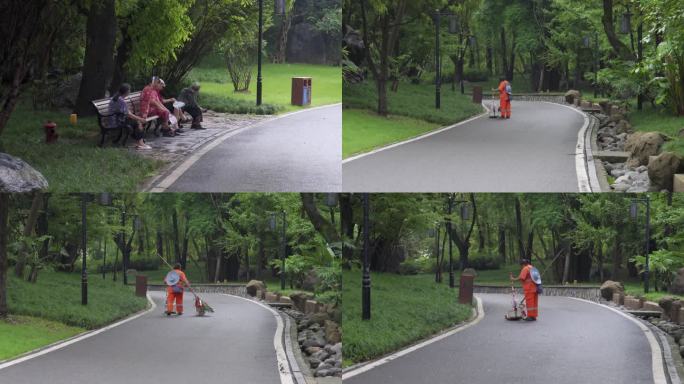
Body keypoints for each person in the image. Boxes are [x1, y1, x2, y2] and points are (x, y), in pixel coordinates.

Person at [108, 83, 151, 150]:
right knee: (138, 122)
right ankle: (140, 143)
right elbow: (128, 114)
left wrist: (138, 119)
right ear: (127, 92)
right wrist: (140, 119)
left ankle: (140, 142)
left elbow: (125, 111)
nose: (130, 91)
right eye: (129, 90)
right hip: (117, 121)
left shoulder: (117, 97)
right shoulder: (121, 100)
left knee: (136, 122)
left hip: (117, 119)